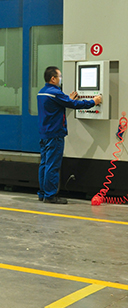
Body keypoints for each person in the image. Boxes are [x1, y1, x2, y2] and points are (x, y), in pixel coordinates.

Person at [37, 66, 102, 204]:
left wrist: (67, 99)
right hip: (55, 135)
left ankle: (42, 193)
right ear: (53, 79)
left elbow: (57, 105)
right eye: (59, 77)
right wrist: (93, 102)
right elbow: (74, 104)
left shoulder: (42, 92)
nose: (60, 79)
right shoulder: (55, 93)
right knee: (53, 166)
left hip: (44, 134)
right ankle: (50, 196)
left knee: (44, 164)